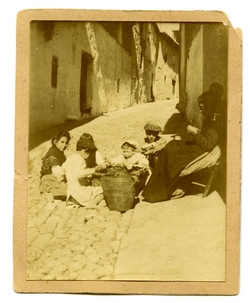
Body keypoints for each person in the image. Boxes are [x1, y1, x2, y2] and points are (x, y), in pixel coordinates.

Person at [142, 83, 224, 203]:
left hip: (207, 150)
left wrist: (194, 133)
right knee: (172, 145)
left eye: (202, 107)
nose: (200, 110)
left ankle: (166, 189)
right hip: (203, 146)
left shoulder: (214, 122)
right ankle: (164, 186)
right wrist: (198, 132)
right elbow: (209, 138)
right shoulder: (211, 118)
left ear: (209, 106)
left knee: (171, 151)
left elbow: (208, 145)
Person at [62, 135, 104, 208]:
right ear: (84, 151)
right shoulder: (81, 160)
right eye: (88, 154)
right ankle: (93, 203)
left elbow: (61, 171)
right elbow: (80, 173)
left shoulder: (70, 158)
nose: (88, 156)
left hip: (71, 192)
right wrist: (93, 170)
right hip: (80, 192)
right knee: (102, 190)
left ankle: (78, 202)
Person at [39, 130, 71, 199]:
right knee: (71, 190)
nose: (64, 145)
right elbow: (58, 173)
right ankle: (50, 193)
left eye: (66, 143)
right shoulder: (52, 155)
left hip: (55, 178)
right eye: (62, 142)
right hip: (49, 180)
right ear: (55, 142)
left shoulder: (59, 152)